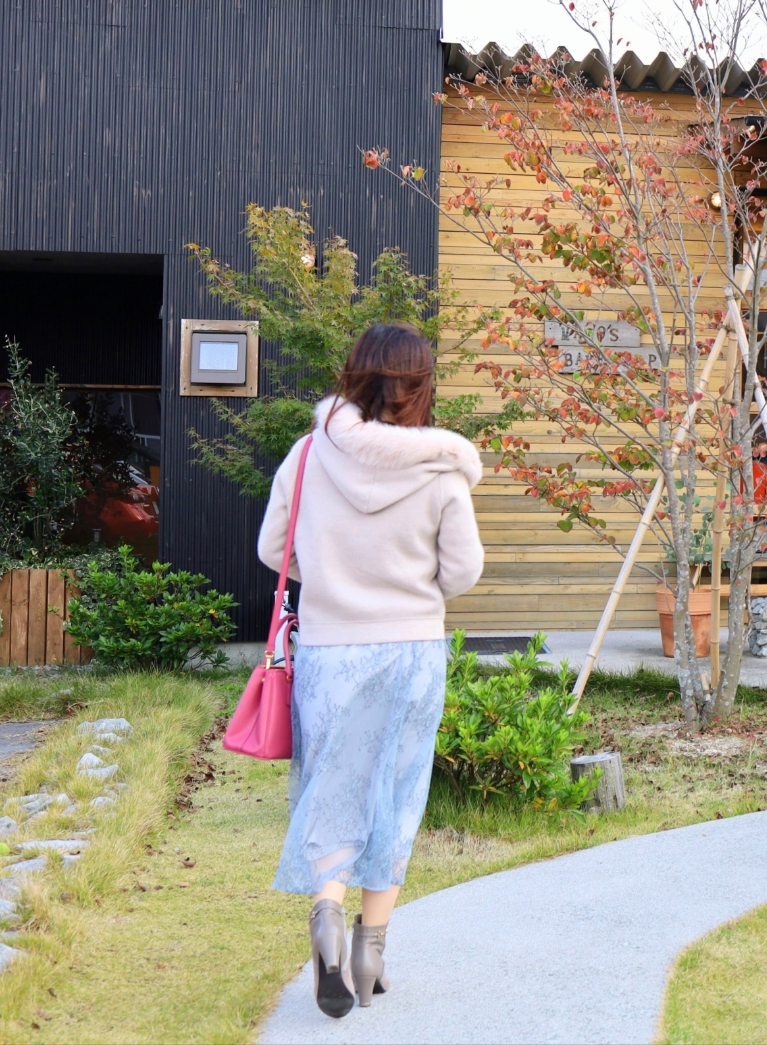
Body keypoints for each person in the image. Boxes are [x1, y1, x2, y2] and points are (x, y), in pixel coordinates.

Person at [257, 323, 484, 1018]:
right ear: (420, 385)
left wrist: (329, 580)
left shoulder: (305, 456)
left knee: (332, 785)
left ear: (354, 374)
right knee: (396, 789)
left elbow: (274, 550)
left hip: (329, 649)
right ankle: (370, 953)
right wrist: (410, 588)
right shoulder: (442, 470)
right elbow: (464, 570)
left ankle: (325, 921)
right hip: (410, 650)